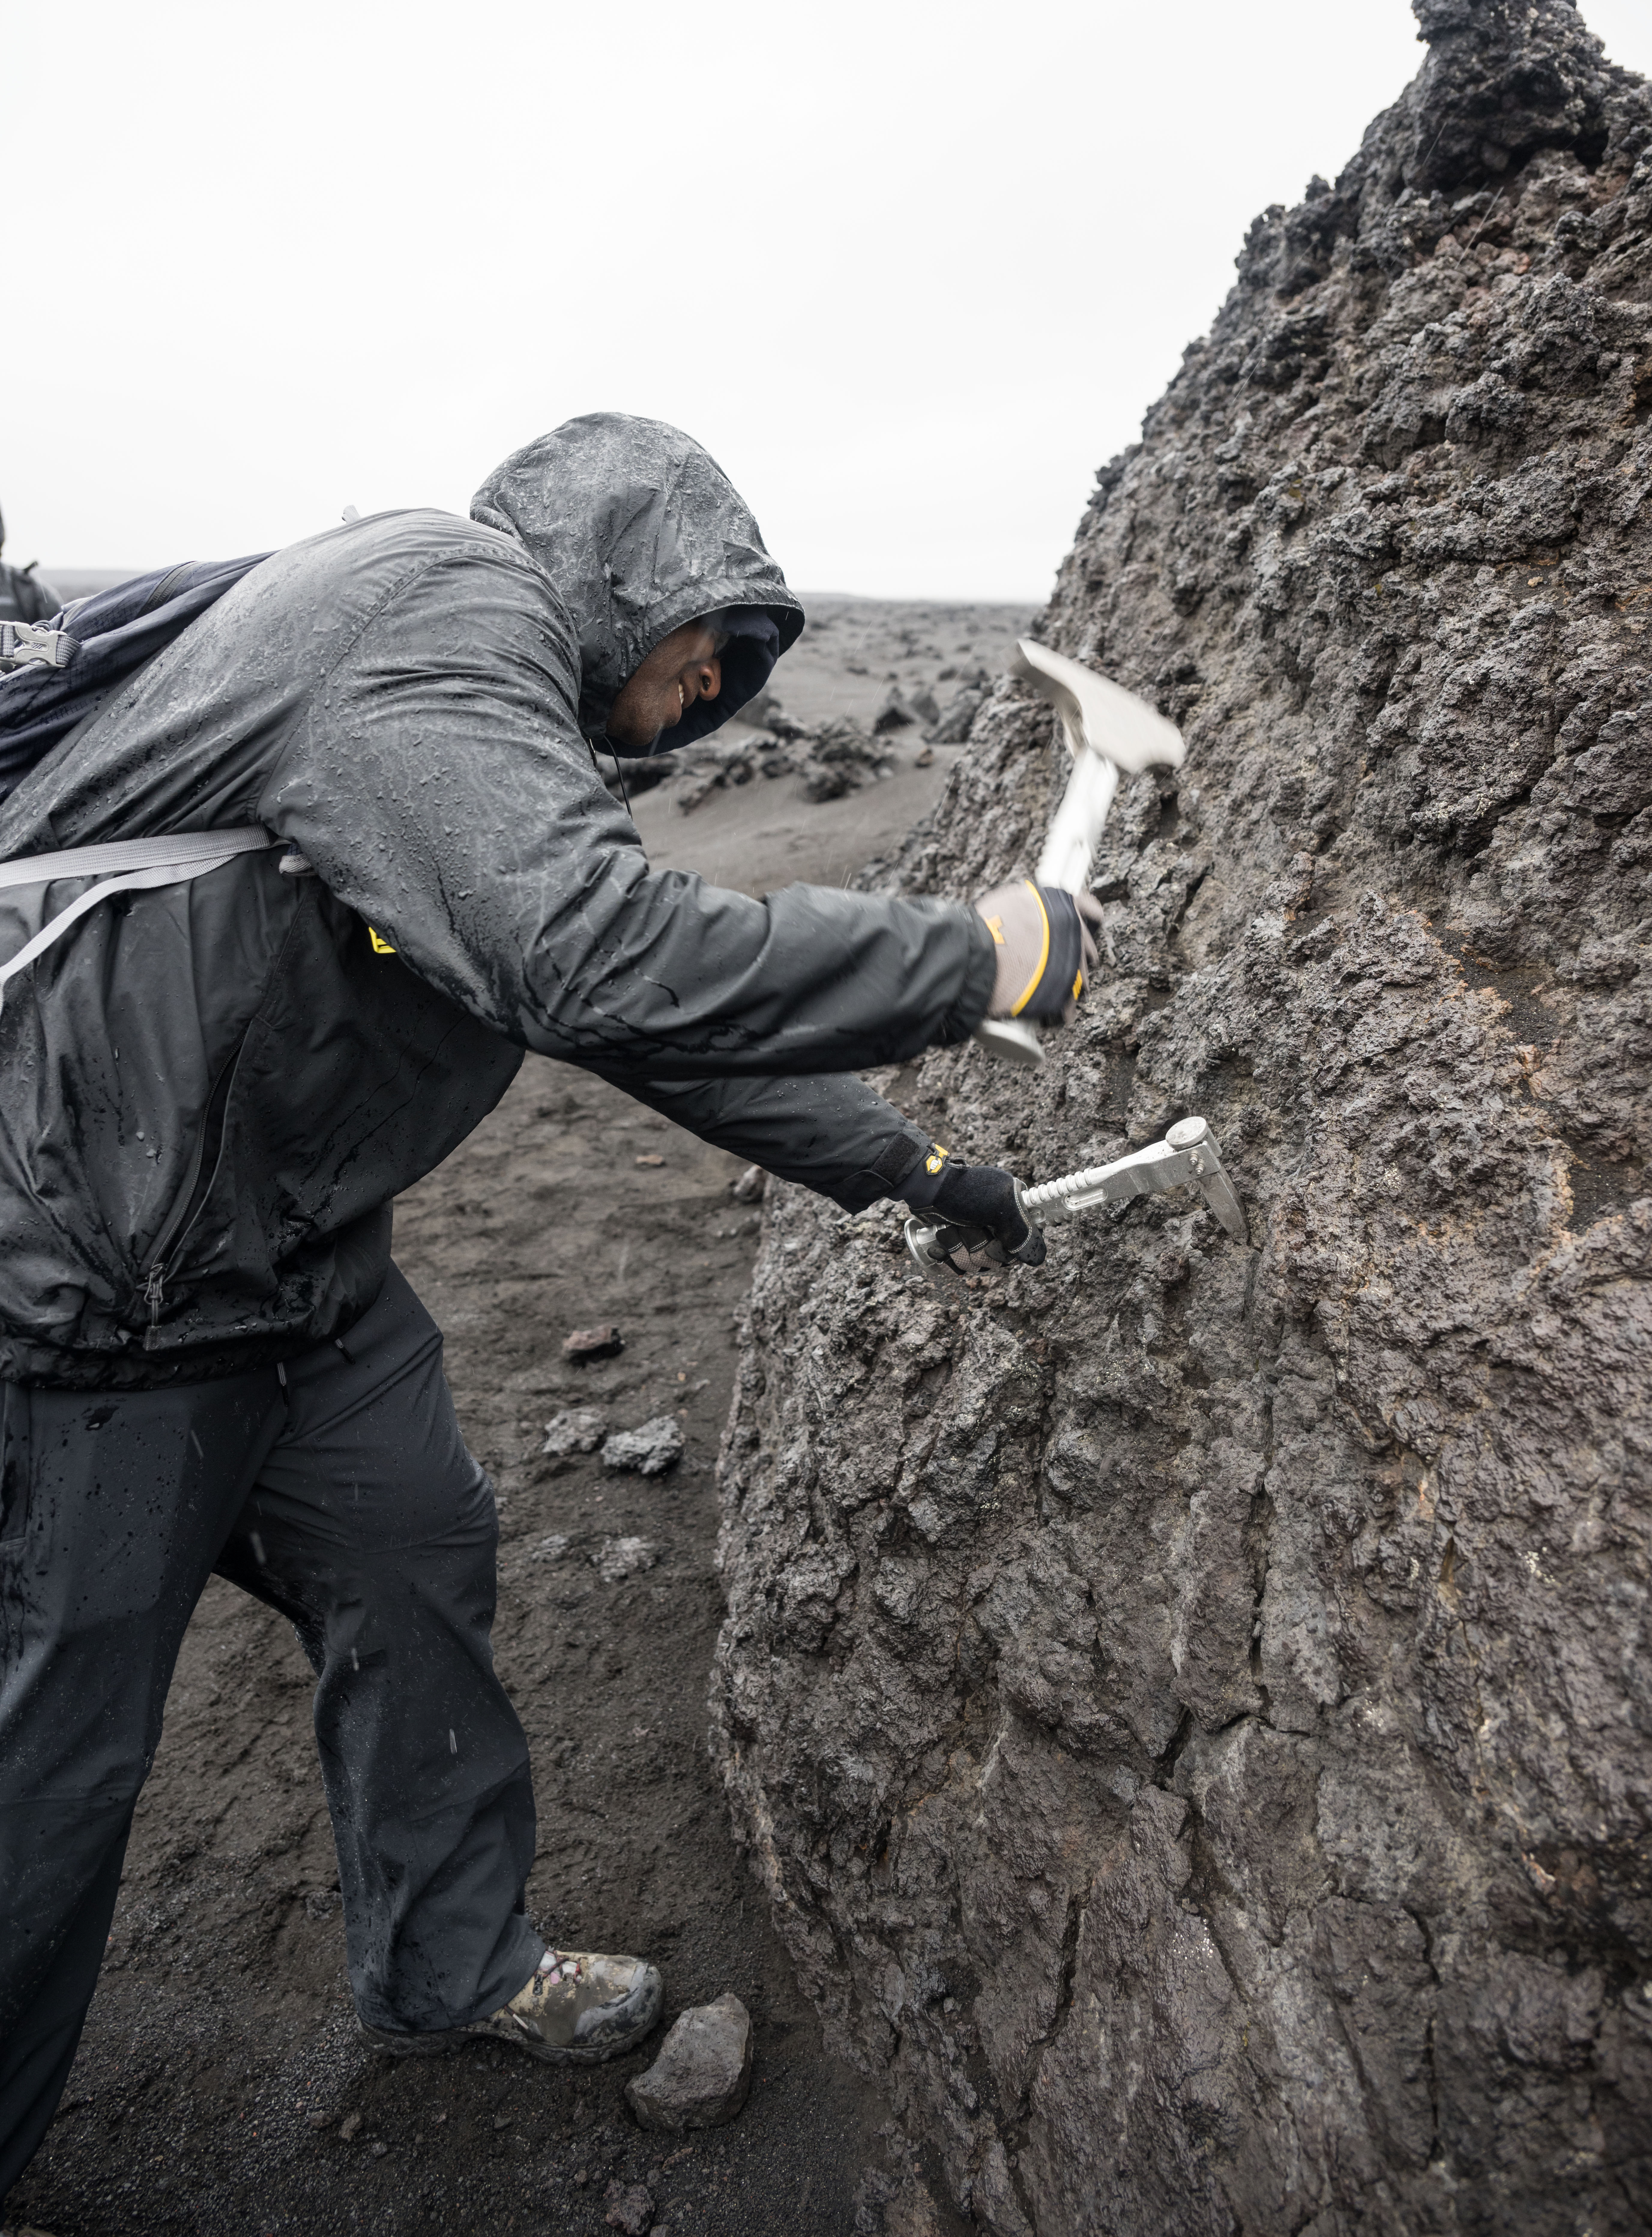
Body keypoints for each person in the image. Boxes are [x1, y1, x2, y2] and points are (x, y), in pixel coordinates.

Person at [0, 413, 1095, 2194]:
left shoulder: (491, 744)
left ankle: (452, 1965)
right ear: (624, 569)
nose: (704, 703)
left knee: (419, 1573)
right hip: (93, 1295)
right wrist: (979, 957)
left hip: (303, 1286)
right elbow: (581, 952)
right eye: (703, 652)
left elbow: (631, 1020)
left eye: (739, 676)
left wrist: (901, 1172)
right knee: (55, 1768)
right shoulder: (437, 605)